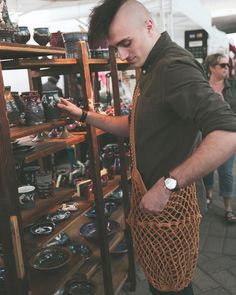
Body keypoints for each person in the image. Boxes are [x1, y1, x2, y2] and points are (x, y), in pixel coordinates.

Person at [57, 1, 236, 294]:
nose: (123, 55)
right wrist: (84, 116)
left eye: (126, 43)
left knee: (173, 286)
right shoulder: (151, 66)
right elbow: (133, 123)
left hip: (171, 207)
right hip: (156, 209)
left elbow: (228, 132)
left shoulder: (172, 67)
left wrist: (168, 185)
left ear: (149, 25)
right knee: (163, 284)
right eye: (116, 48)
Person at [203, 53, 236, 223]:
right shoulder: (202, 87)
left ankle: (228, 208)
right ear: (211, 67)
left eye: (227, 65)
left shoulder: (232, 86)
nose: (226, 68)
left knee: (226, 172)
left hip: (227, 137)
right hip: (206, 136)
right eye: (222, 65)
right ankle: (208, 195)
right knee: (206, 170)